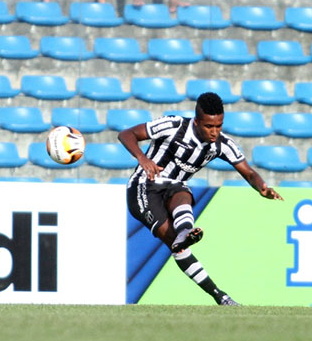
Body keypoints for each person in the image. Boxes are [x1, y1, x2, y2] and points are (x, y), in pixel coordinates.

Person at [118, 92, 283, 306]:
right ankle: (186, 241)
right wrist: (143, 158)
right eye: (208, 127)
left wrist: (262, 187)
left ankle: (216, 290)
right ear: (196, 122)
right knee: (174, 242)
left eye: (219, 126)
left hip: (174, 187)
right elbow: (126, 134)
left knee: (182, 192)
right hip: (143, 187)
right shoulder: (173, 125)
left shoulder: (221, 144)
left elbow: (249, 172)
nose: (214, 132)